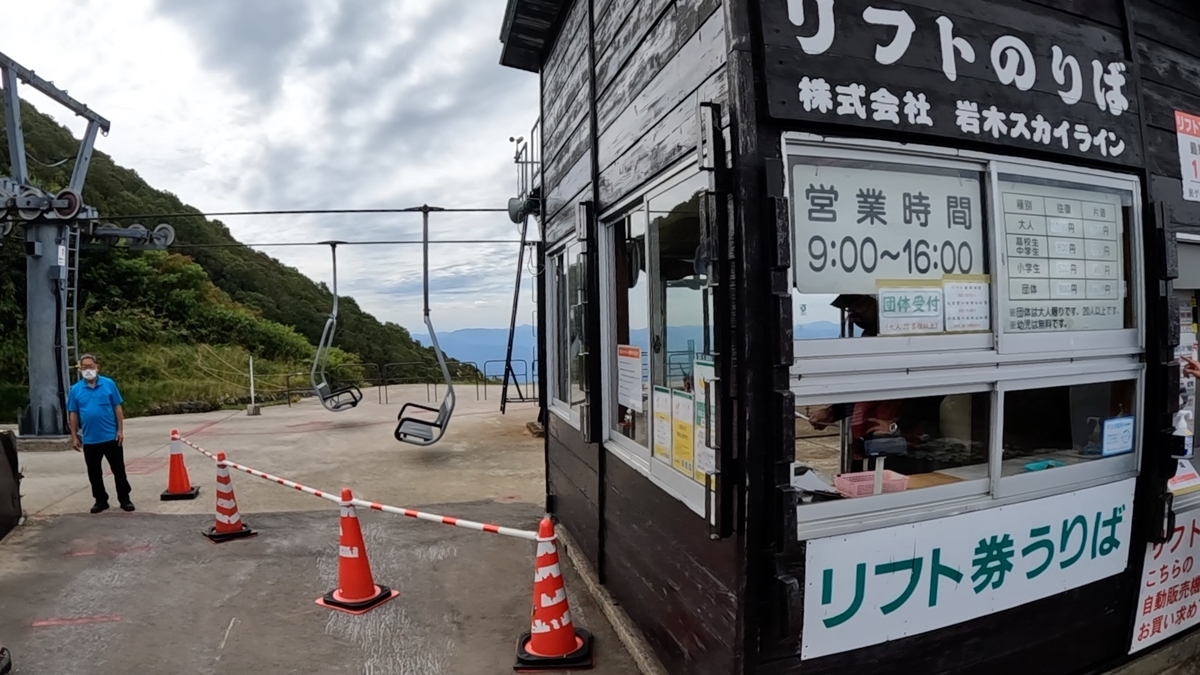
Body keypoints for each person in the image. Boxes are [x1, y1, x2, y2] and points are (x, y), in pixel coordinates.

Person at [66, 354, 134, 513]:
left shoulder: (109, 384)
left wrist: (120, 430)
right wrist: (74, 436)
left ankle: (125, 499)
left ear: (97, 367)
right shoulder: (75, 390)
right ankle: (100, 500)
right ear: (80, 369)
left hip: (110, 436)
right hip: (90, 439)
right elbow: (73, 413)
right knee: (94, 472)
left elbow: (117, 408)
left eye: (90, 366)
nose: (88, 370)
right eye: (84, 367)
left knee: (119, 470)